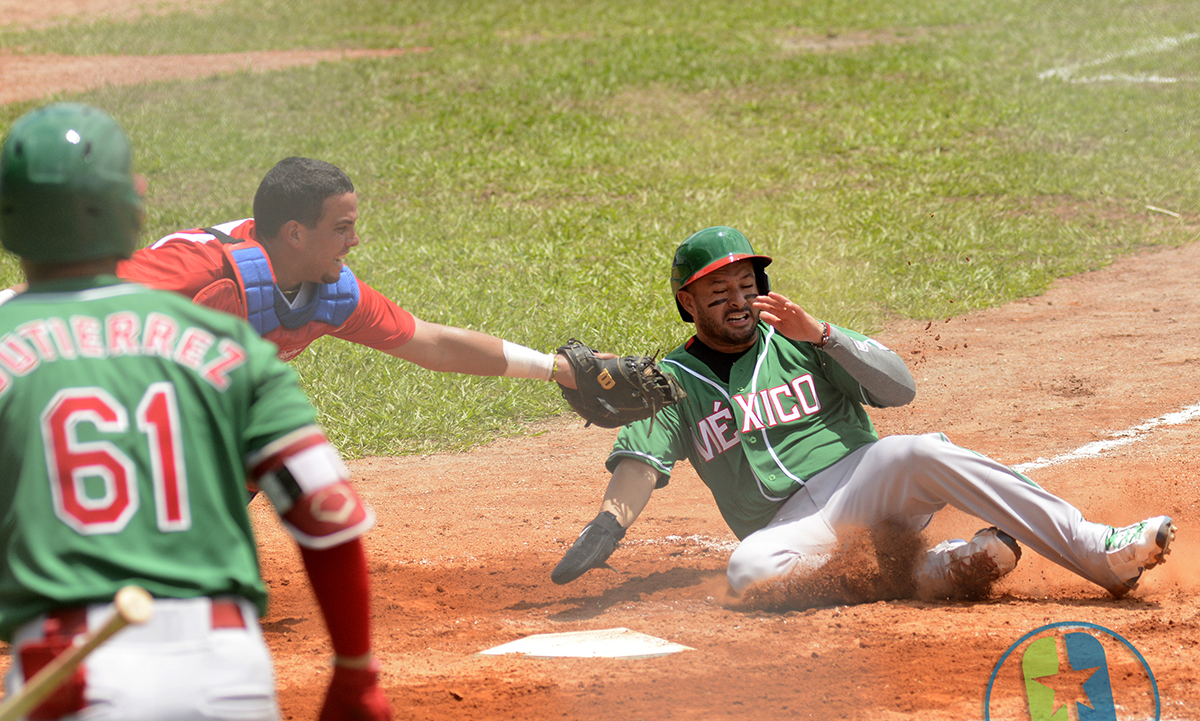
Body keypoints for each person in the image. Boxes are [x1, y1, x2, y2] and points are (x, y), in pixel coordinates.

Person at [0, 102, 390, 721]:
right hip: (225, 683)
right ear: (132, 210)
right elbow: (326, 514)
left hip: (67, 682)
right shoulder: (228, 340)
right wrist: (356, 671)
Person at [550, 225, 1177, 603]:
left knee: (921, 450)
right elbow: (641, 461)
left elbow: (898, 389)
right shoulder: (673, 381)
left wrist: (823, 334)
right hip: (788, 528)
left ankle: (1098, 549)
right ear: (689, 303)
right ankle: (928, 572)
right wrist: (609, 523)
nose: (738, 302)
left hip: (863, 480)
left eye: (747, 286)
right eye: (719, 293)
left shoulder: (799, 338)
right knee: (747, 572)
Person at [113, 155, 579, 387]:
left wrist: (556, 368)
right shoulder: (199, 268)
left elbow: (435, 345)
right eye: (341, 228)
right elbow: (75, 296)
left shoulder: (329, 295)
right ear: (295, 234)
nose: (354, 242)